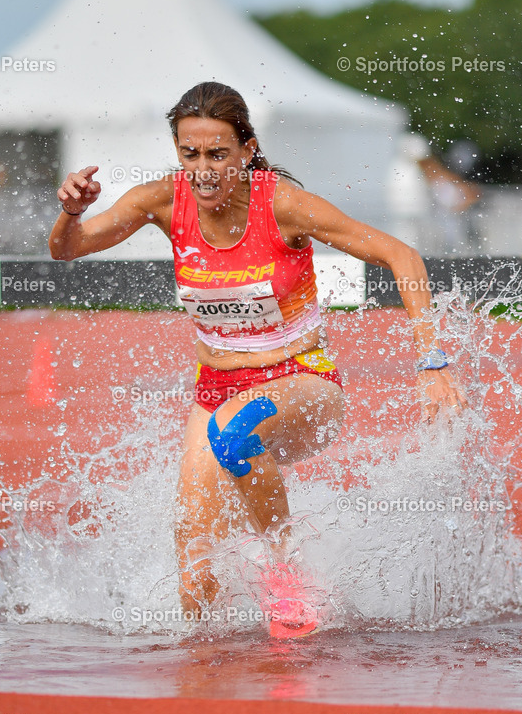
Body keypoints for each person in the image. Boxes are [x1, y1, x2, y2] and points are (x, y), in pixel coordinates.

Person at [49, 82, 465, 638]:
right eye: (189, 155)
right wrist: (70, 213)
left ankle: (283, 569)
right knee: (195, 576)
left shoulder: (282, 204)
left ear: (246, 150)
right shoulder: (161, 202)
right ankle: (209, 679)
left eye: (218, 155)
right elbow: (66, 249)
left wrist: (431, 361)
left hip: (303, 384)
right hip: (215, 388)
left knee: (237, 430)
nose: (204, 171)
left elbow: (400, 253)